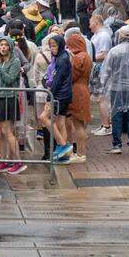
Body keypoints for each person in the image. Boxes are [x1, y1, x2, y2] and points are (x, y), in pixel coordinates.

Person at [101, 24, 129, 154]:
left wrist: (102, 86)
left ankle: (117, 144)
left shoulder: (114, 51)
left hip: (117, 87)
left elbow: (106, 71)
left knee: (117, 114)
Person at [46, 34, 74, 163]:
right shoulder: (62, 57)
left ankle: (63, 145)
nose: (52, 48)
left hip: (60, 95)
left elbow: (57, 80)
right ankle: (63, 154)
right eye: (50, 46)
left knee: (43, 117)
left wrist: (49, 96)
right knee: (60, 122)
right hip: (64, 94)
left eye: (54, 45)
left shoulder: (61, 59)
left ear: (61, 45)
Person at [65, 30, 92, 162]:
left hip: (77, 91)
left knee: (78, 124)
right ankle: (81, 152)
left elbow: (72, 76)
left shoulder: (77, 58)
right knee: (80, 124)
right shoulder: (86, 55)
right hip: (84, 88)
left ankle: (80, 154)